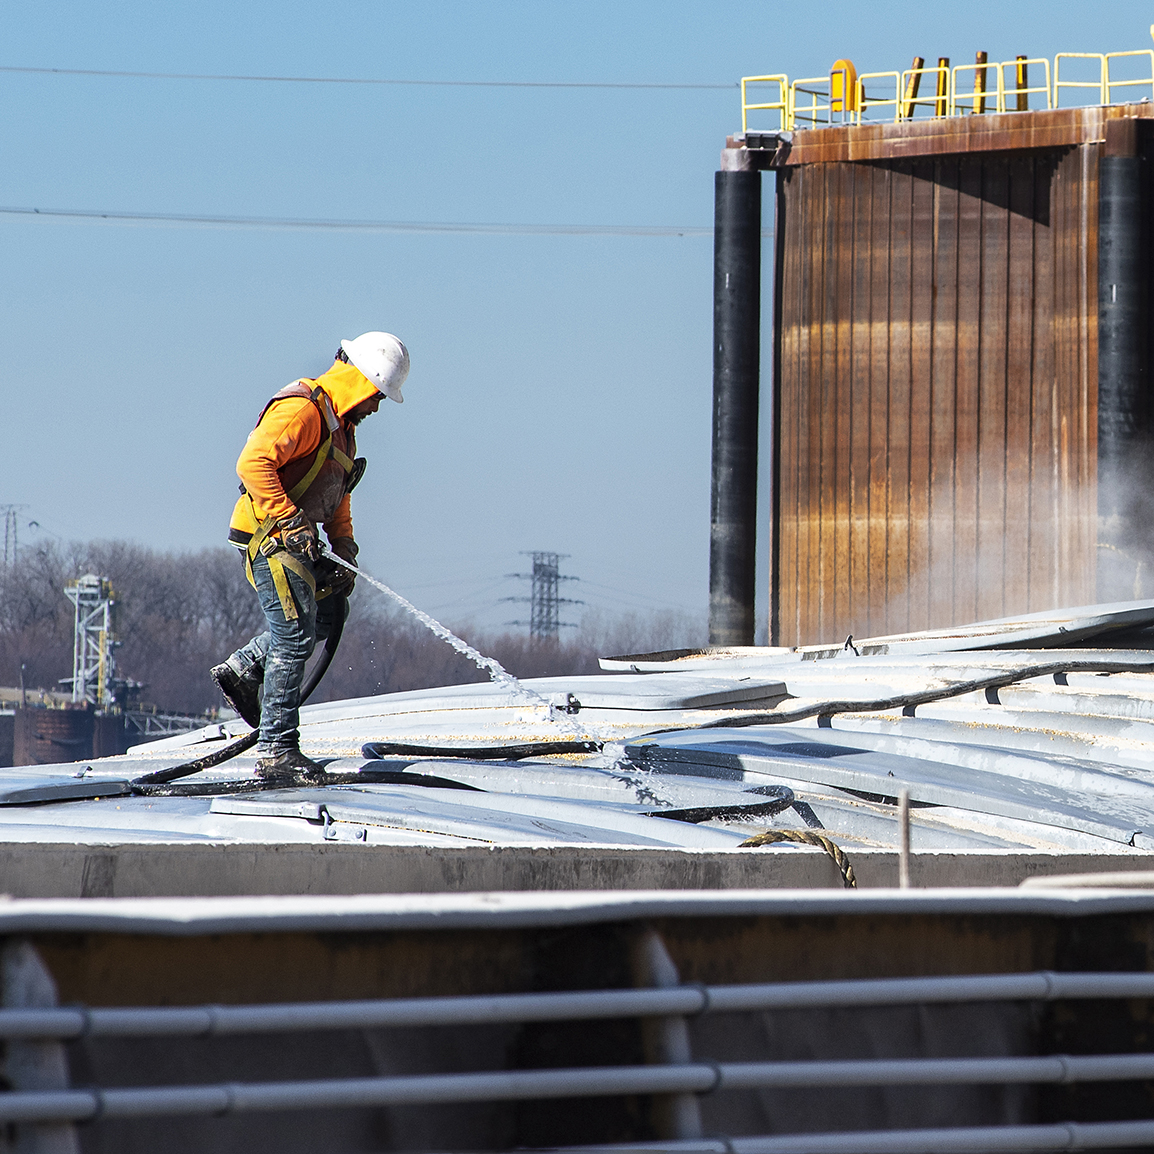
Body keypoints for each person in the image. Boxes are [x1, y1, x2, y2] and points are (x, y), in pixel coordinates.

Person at [210, 332, 409, 782]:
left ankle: (243, 670)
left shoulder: (342, 431)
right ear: (361, 383)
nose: (377, 407)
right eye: (377, 396)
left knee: (324, 618)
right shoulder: (303, 410)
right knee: (296, 636)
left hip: (293, 538)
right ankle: (277, 750)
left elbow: (338, 496)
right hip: (271, 536)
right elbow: (253, 462)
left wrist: (345, 546)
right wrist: (289, 520)